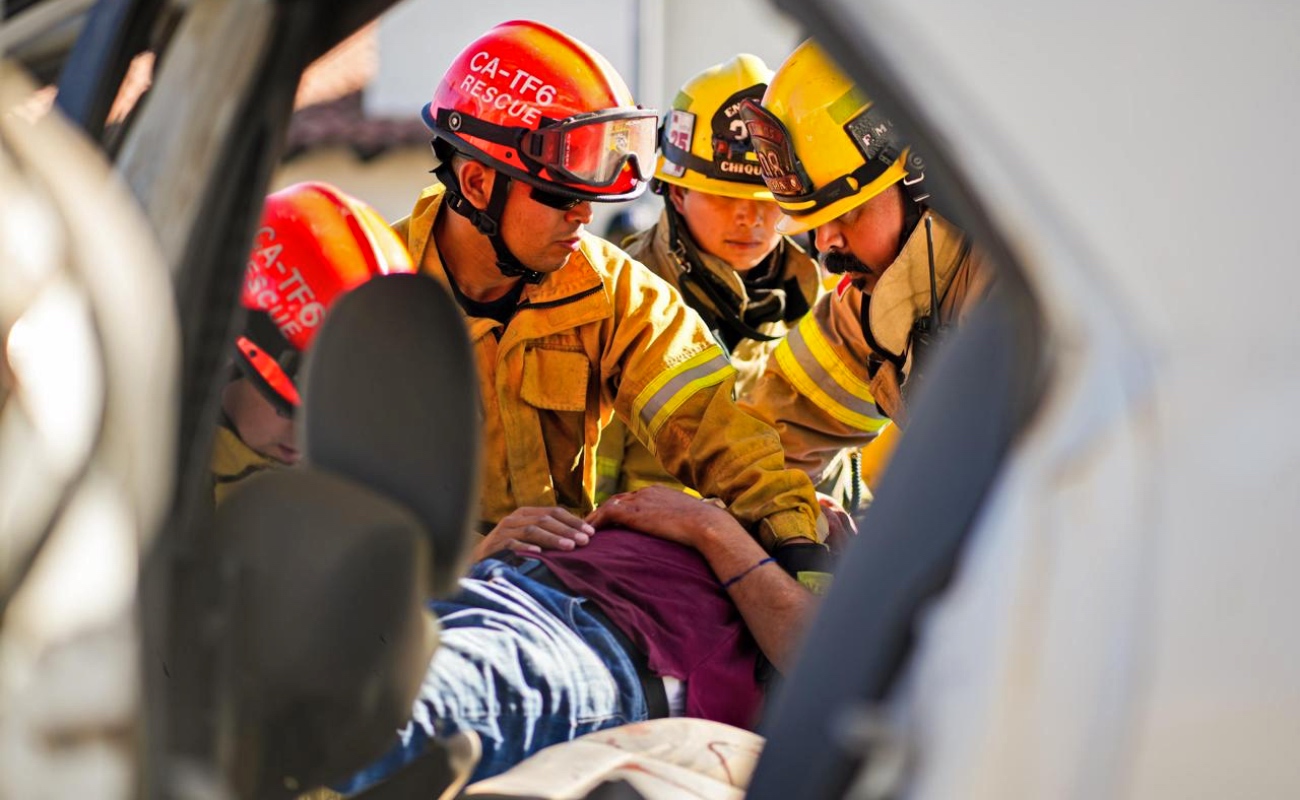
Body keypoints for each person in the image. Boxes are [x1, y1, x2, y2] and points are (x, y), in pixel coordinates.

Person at [392, 20, 825, 555]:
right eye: (558, 194)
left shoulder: (614, 293)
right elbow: (313, 507)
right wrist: (469, 560)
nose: (584, 213)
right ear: (478, 184)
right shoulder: (370, 296)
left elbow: (719, 430)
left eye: (588, 193)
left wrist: (797, 540)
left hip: (557, 601)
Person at [334, 486, 818, 791]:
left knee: (363, 718)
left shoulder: (851, 600)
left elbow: (815, 659)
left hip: (591, 646)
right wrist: (483, 554)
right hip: (486, 593)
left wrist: (709, 526)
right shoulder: (760, 505)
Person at [737, 40, 994, 485]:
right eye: (813, 223)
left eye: (846, 213)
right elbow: (770, 440)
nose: (825, 245)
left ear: (920, 182)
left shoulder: (1014, 295)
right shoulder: (871, 304)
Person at [593, 54, 845, 506]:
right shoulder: (614, 303)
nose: (750, 217)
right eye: (724, 197)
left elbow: (835, 474)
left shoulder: (817, 311)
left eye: (770, 199)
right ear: (677, 191)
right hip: (633, 558)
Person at [212, 181, 414, 503]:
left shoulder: (350, 471)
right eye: (292, 407)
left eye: (337, 413)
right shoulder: (167, 484)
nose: (306, 436)